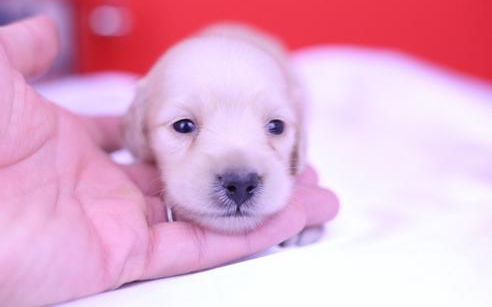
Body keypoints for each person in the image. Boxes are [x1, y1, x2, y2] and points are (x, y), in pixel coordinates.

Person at [0, 16, 339, 306]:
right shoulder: (146, 117)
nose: (240, 177)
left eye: (275, 127)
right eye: (184, 126)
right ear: (139, 130)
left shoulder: (289, 86)